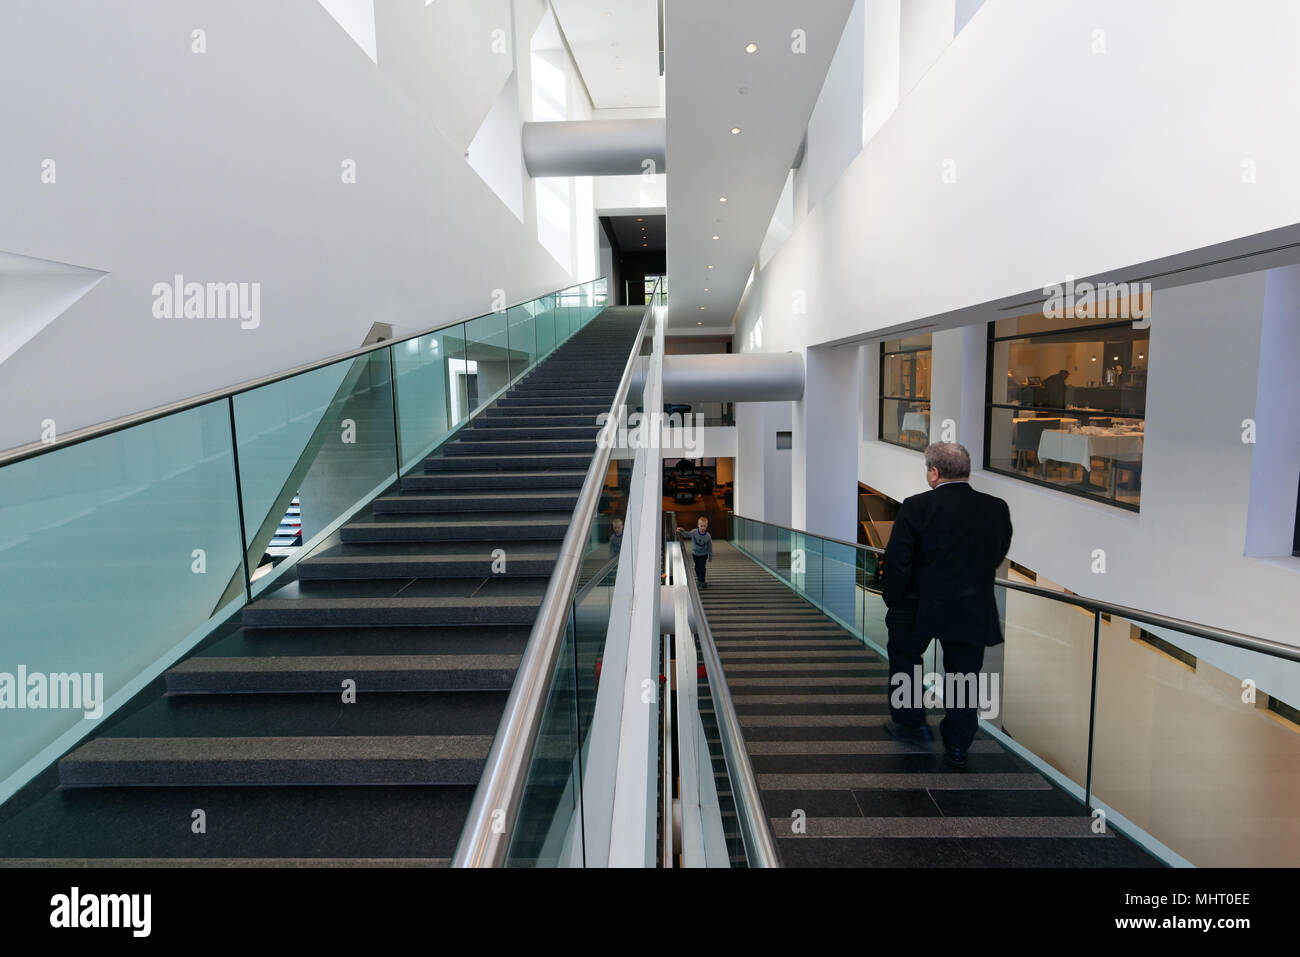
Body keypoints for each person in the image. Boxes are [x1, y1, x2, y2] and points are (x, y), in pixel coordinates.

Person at [881, 442, 1013, 769]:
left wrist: (893, 598)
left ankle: (912, 724)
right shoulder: (996, 507)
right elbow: (997, 552)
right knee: (964, 676)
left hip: (918, 603)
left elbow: (898, 559)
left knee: (906, 661)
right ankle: (957, 746)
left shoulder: (916, 507)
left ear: (934, 472)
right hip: (971, 606)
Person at [677, 516, 713, 589]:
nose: (703, 528)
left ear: (707, 526)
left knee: (702, 567)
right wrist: (681, 530)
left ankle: (702, 580)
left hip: (704, 554)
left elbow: (710, 546)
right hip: (695, 554)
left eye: (704, 526)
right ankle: (699, 579)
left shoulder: (708, 536)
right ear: (698, 525)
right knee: (697, 567)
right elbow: (687, 535)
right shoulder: (694, 532)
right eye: (701, 526)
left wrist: (710, 555)